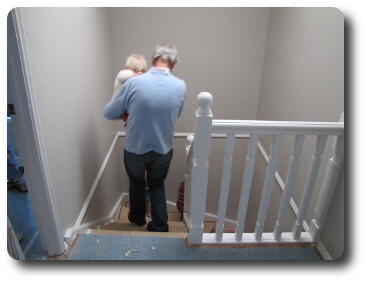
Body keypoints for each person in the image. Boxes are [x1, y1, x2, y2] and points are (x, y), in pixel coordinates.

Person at [103, 44, 186, 232]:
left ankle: (137, 218)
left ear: (152, 60)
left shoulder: (133, 83)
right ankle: (160, 226)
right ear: (175, 63)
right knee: (157, 186)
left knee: (136, 184)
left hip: (134, 149)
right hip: (163, 148)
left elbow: (109, 113)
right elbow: (176, 113)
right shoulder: (180, 86)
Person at [111, 54, 148, 126]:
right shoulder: (122, 74)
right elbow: (131, 76)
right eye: (140, 71)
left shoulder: (134, 79)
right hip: (121, 109)